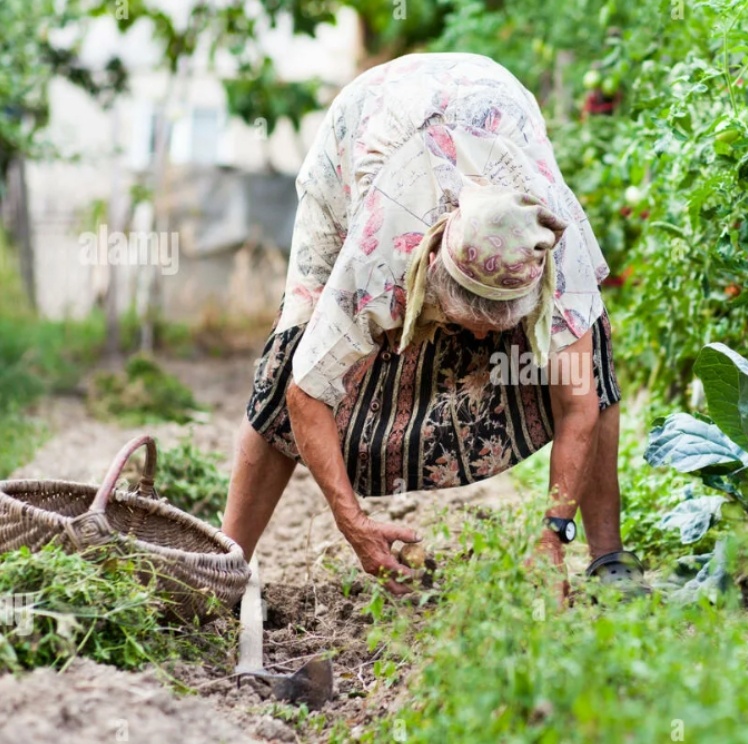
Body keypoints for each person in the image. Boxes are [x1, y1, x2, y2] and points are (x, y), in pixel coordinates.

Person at [221, 52, 646, 597]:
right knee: (289, 358)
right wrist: (353, 523)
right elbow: (306, 392)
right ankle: (227, 564)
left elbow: (579, 404)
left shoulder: (560, 254)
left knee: (591, 367)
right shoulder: (379, 253)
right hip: (366, 128)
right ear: (428, 274)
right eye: (466, 323)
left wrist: (552, 537)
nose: (476, 343)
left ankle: (608, 557)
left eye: (495, 332)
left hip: (493, 101)